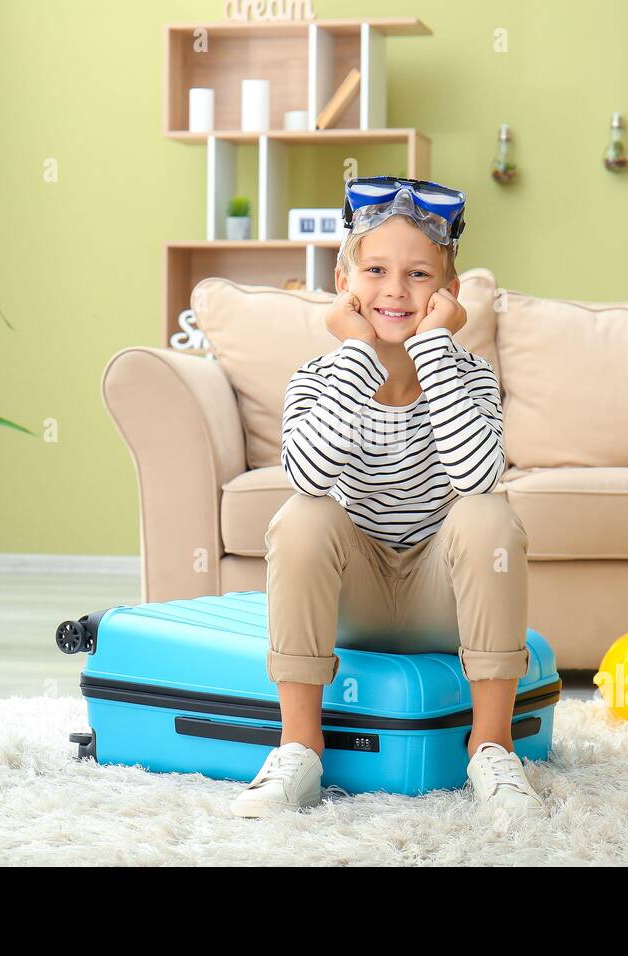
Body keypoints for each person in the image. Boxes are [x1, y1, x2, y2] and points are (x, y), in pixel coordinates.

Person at [230, 177, 542, 820]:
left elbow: (479, 477)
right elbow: (310, 478)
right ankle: (298, 748)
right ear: (345, 282)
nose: (396, 289)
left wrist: (432, 351)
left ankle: (492, 747)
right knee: (301, 518)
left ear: (449, 295)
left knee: (489, 514)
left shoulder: (472, 377)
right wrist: (357, 353)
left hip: (441, 601)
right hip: (355, 602)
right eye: (375, 270)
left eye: (418, 273)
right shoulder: (318, 378)